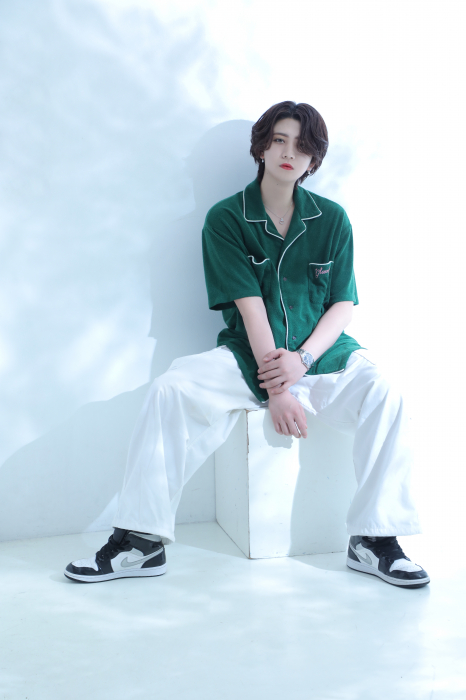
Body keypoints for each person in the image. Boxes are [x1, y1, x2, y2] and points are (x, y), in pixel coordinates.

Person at [65, 101, 429, 588]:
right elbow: (251, 308)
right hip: (248, 357)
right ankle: (140, 541)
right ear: (261, 147)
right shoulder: (225, 219)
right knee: (170, 389)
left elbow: (343, 305)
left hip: (323, 356)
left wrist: (303, 360)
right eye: (279, 140)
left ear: (314, 159)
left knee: (387, 394)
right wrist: (278, 388)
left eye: (302, 146)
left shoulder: (332, 219)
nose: (289, 153)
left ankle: (375, 540)